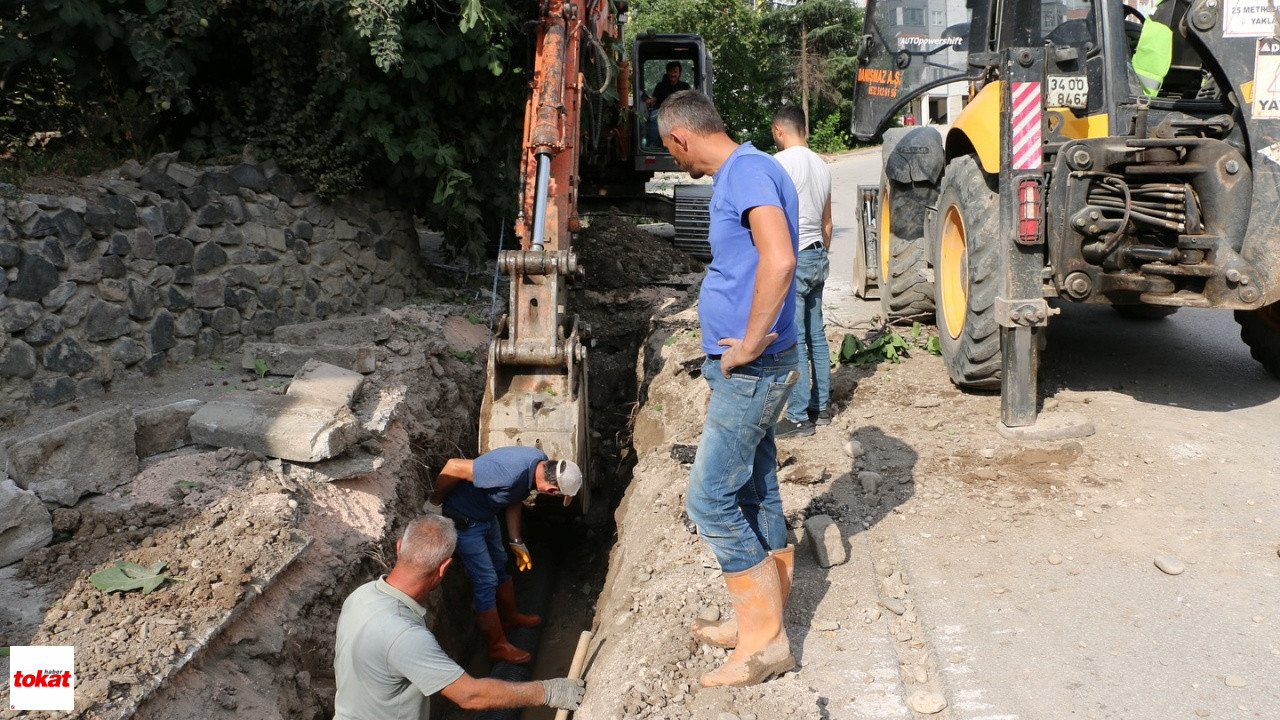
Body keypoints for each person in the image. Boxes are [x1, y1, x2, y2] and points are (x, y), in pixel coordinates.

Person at [656, 89, 799, 689]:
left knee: (709, 500)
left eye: (669, 149)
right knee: (758, 489)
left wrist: (746, 342)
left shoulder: (745, 175)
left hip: (753, 369)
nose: (672, 160)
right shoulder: (754, 169)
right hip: (749, 368)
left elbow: (781, 259)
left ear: (681, 137)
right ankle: (758, 624)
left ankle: (765, 644)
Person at [333, 515, 585, 720]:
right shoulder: (405, 635)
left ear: (399, 547)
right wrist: (547, 691)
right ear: (444, 568)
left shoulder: (361, 595)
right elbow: (470, 695)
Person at [425, 446, 582, 664]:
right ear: (551, 489)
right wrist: (434, 503)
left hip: (486, 516)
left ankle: (510, 618)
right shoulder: (508, 473)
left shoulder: (539, 463)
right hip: (465, 521)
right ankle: (497, 645)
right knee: (486, 580)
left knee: (500, 564)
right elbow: (454, 466)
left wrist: (515, 541)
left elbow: (514, 496)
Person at [771, 105, 834, 439]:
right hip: (817, 254)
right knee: (817, 335)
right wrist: (821, 254)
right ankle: (820, 408)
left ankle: (797, 417)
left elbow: (773, 219)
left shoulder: (779, 164)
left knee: (793, 339)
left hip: (793, 258)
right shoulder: (822, 165)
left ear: (780, 130)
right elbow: (827, 222)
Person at [644, 61, 691, 146]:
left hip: (679, 112)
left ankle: (686, 145)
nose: (672, 74)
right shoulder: (660, 85)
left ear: (679, 73)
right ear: (667, 72)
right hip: (662, 112)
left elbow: (689, 101)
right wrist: (648, 101)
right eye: (670, 72)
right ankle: (652, 145)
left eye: (675, 72)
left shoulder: (685, 86)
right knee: (652, 118)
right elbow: (653, 99)